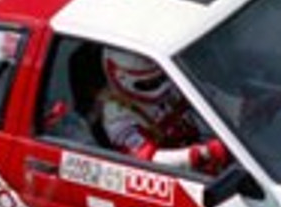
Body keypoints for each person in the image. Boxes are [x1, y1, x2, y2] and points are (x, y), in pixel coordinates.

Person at [98, 47, 229, 174]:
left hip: (208, 151)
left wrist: (240, 106)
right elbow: (147, 160)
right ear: (122, 78)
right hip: (177, 177)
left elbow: (210, 97)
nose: (159, 84)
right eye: (149, 83)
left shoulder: (171, 84)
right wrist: (202, 153)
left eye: (161, 78)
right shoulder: (117, 116)